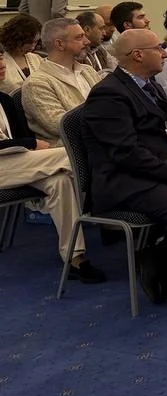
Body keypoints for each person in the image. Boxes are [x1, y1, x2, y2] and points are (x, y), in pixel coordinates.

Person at [80, 29, 167, 305]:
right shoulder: (108, 95)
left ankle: (160, 254)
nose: (165, 53)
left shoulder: (149, 84)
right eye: (158, 48)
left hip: (156, 166)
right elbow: (126, 152)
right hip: (124, 179)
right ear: (138, 55)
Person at [0, 56, 106, 284]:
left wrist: (28, 144)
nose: (2, 64)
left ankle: (74, 257)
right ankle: (111, 178)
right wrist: (30, 143)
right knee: (70, 156)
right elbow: (24, 141)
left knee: (60, 181)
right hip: (5, 164)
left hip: (18, 163)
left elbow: (20, 135)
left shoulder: (5, 100)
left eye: (1, 58)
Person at [23, 17, 104, 145]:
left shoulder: (87, 70)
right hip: (68, 150)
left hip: (101, 140)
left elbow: (109, 103)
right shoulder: (36, 83)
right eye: (79, 37)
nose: (87, 41)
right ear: (60, 44)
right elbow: (62, 125)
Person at [0, 13, 44, 95]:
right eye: (28, 42)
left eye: (35, 42)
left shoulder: (36, 58)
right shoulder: (2, 62)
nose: (32, 47)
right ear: (15, 39)